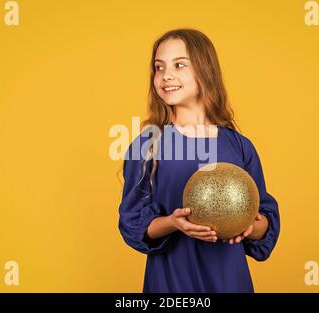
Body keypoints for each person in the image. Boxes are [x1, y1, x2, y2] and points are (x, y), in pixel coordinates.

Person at [118, 28, 280, 293]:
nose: (166, 75)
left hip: (229, 282)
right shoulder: (148, 146)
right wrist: (174, 223)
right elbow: (134, 224)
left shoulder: (239, 145)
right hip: (171, 284)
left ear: (205, 70)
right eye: (159, 68)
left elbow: (264, 224)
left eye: (179, 65)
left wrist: (249, 225)